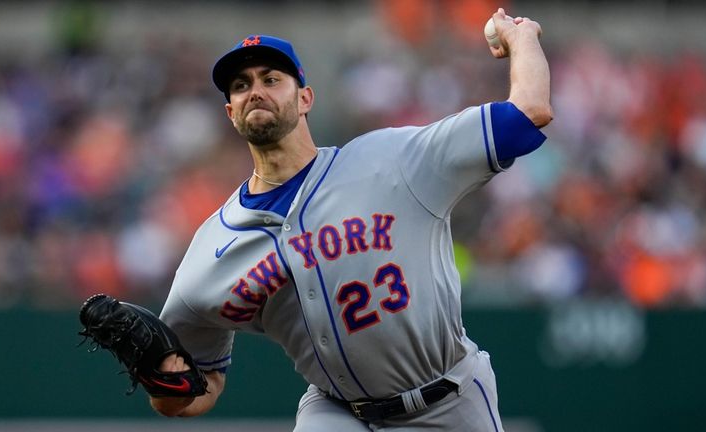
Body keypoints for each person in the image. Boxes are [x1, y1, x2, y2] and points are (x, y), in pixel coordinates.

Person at [150, 7, 552, 431]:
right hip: (337, 412)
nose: (255, 91)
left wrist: (522, 38)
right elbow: (198, 385)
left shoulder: (394, 160)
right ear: (230, 112)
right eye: (240, 85)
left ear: (305, 98)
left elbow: (529, 113)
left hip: (448, 400)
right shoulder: (211, 251)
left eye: (271, 79)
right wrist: (164, 387)